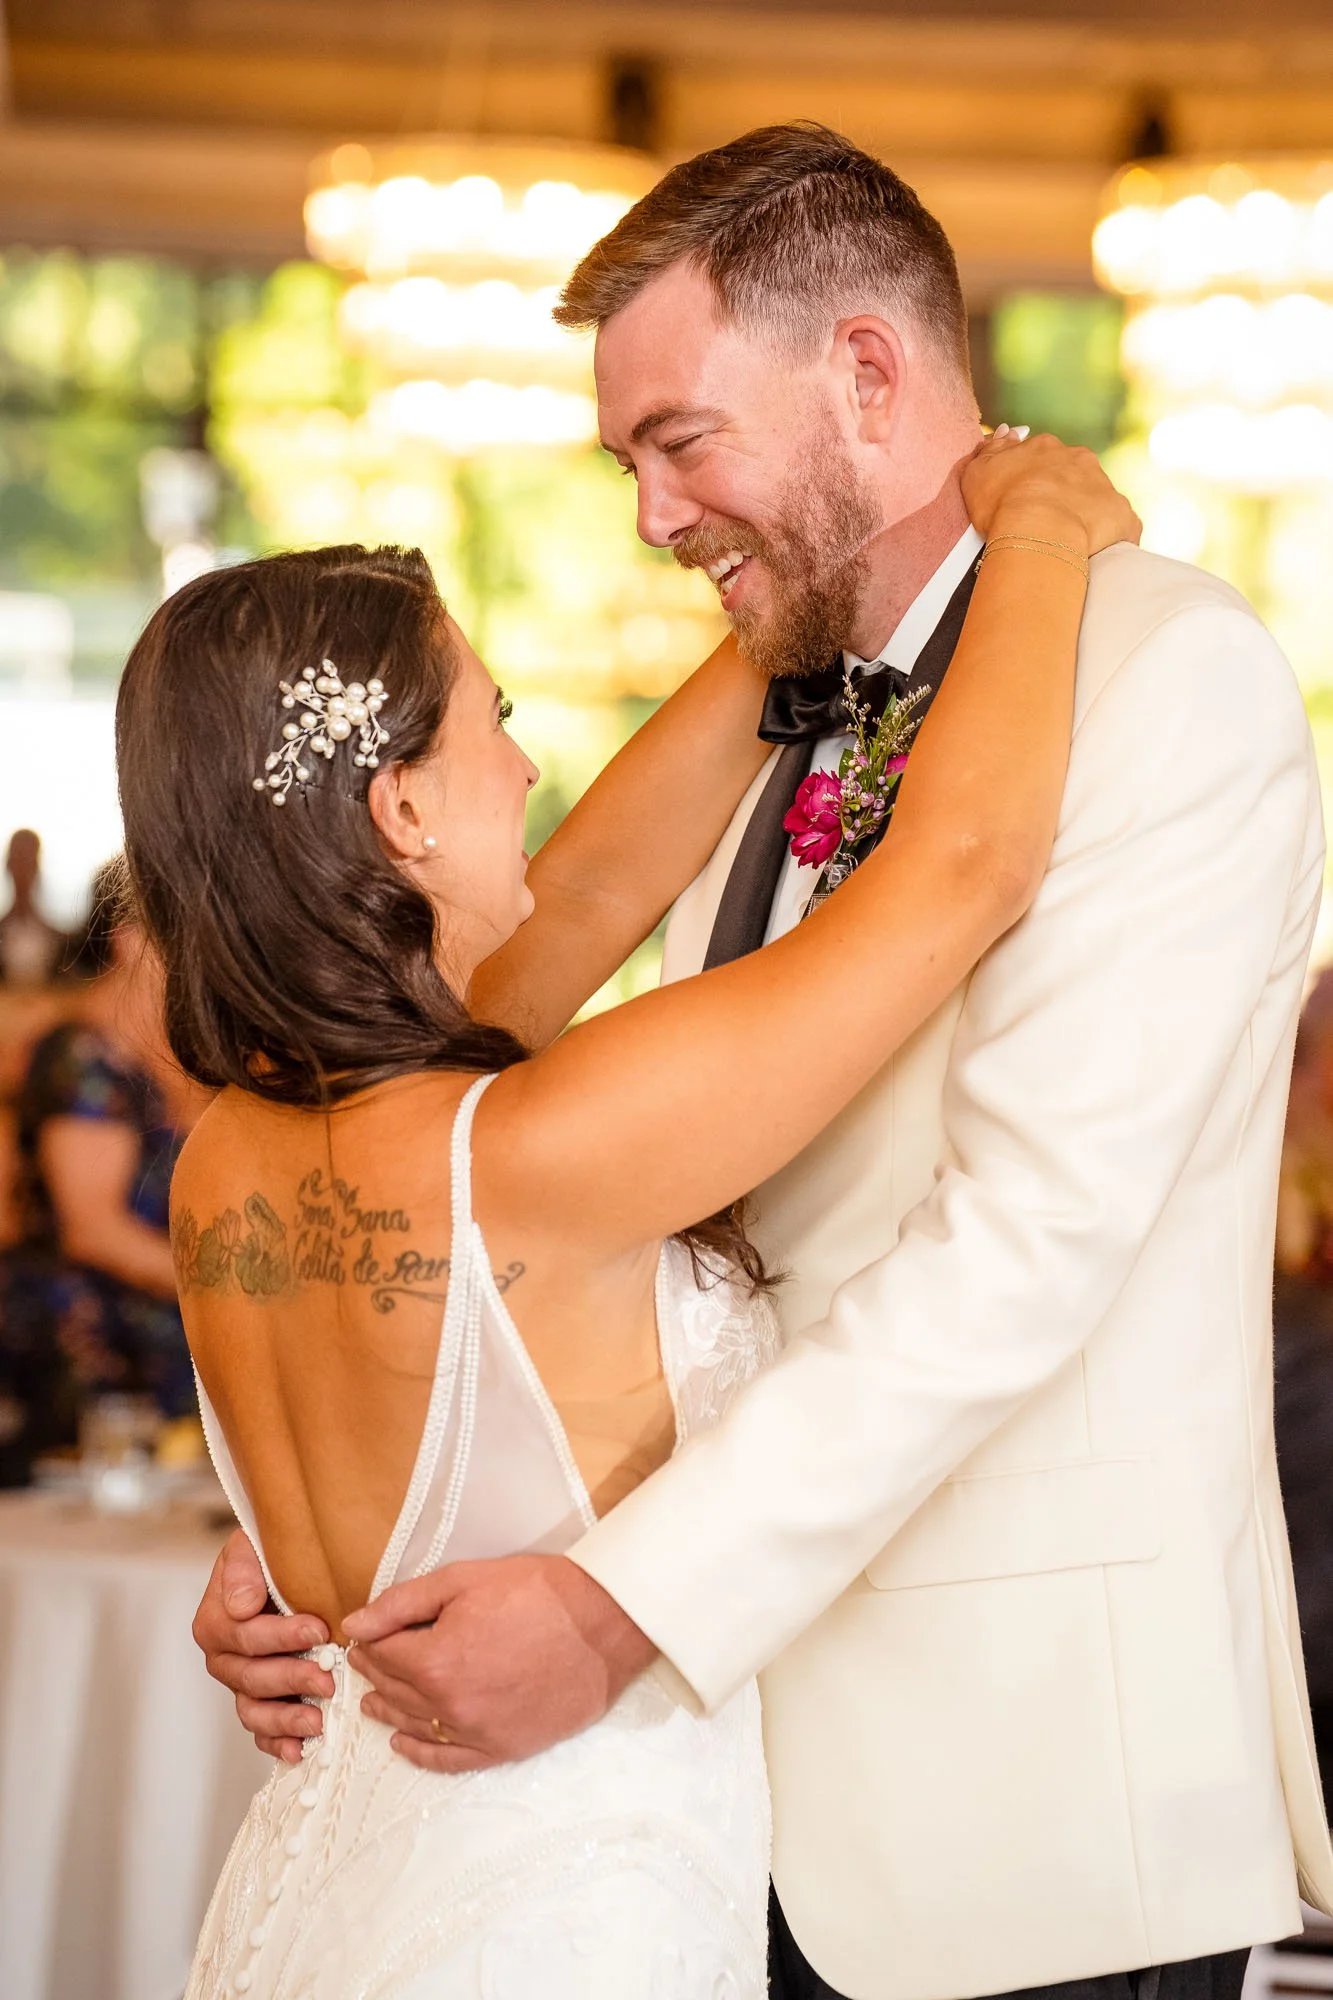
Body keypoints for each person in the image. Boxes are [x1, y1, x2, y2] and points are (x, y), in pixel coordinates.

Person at [196, 125, 1332, 2000]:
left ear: (865, 376)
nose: (649, 515)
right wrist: (353, 1541)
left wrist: (612, 1603)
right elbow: (626, 1200)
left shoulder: (1159, 674)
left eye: (676, 441)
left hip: (1014, 1798)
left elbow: (1021, 1245)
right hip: (705, 1802)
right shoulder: (769, 729)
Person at [117, 435, 1130, 1998]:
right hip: (563, 1915)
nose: (526, 773)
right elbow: (967, 870)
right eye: (495, 726)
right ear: (400, 807)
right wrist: (1048, 533)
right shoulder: (537, 1143)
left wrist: (808, 581)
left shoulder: (225, 1159)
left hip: (324, 1898)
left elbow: (588, 895)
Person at [0, 859, 195, 1479]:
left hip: (154, 1352)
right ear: (127, 938)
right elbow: (94, 1228)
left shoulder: (167, 1055)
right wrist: (234, 1294)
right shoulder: (80, 1056)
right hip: (90, 1363)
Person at [0, 828, 65, 989]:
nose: (23, 869)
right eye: (18, 859)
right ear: (8, 866)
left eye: (28, 859)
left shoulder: (61, 940)